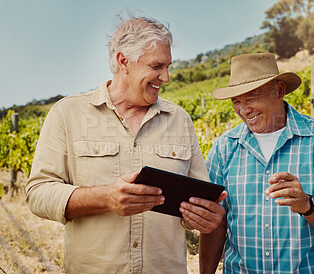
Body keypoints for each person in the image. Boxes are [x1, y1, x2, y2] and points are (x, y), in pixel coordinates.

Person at [26, 16, 226, 273]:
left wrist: (204, 216)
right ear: (123, 62)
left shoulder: (180, 119)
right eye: (156, 66)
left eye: (168, 66)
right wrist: (106, 198)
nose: (165, 77)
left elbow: (195, 204)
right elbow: (38, 194)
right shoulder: (67, 113)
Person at [200, 53, 314, 273]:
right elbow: (215, 223)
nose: (244, 110)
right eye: (236, 101)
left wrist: (307, 205)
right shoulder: (223, 149)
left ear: (279, 91)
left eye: (252, 98)